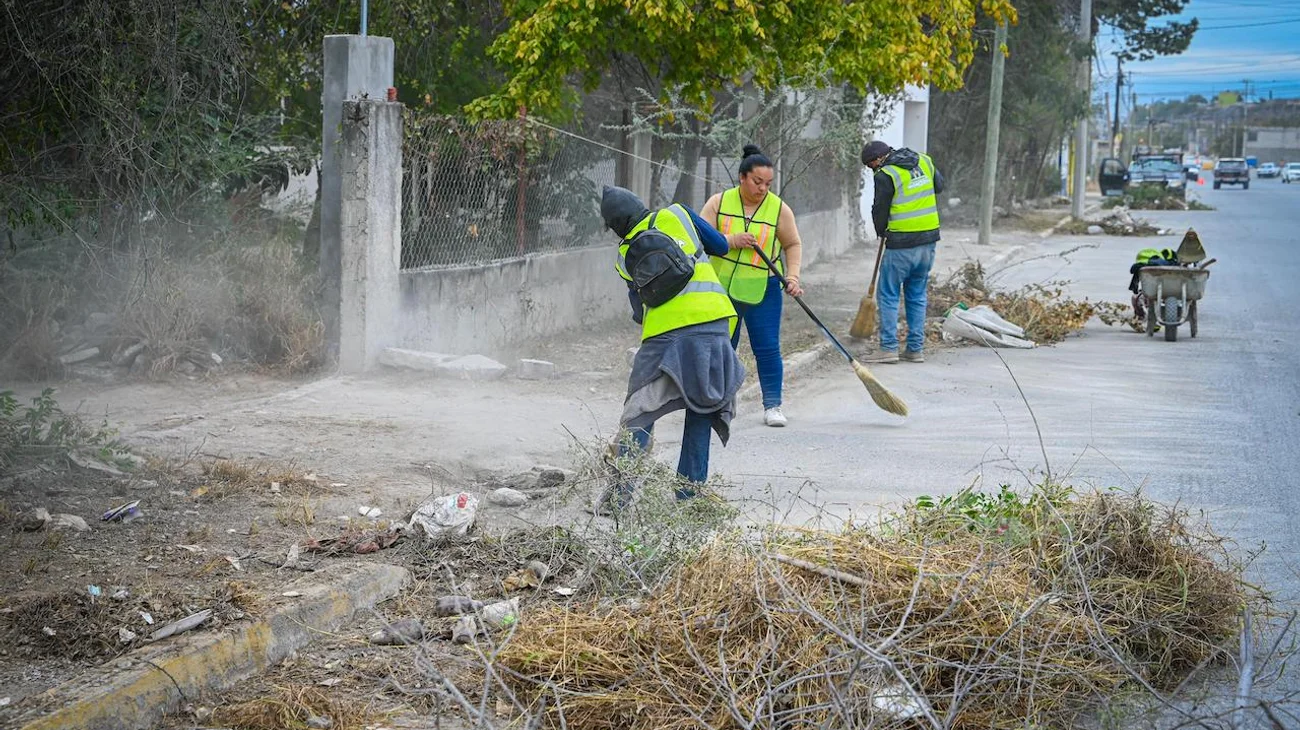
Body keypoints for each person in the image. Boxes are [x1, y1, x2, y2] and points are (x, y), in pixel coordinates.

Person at [598, 185, 746, 511]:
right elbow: (721, 245)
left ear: (615, 226)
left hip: (664, 337)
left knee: (640, 411)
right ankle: (688, 497)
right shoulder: (678, 214)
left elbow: (640, 311)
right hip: (714, 324)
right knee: (703, 407)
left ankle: (619, 499)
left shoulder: (624, 257)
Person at [700, 144, 806, 427]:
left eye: (768, 183)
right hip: (721, 289)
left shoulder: (779, 208)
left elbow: (792, 244)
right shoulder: (719, 203)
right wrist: (730, 241)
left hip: (764, 288)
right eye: (758, 182)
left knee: (767, 347)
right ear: (742, 177)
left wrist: (793, 277)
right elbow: (698, 238)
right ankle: (718, 404)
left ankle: (773, 405)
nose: (763, 189)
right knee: (722, 347)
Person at [861, 140, 945, 364]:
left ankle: (889, 348)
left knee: (888, 294)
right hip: (928, 242)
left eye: (870, 165)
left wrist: (881, 231)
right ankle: (915, 349)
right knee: (917, 295)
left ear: (878, 159)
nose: (872, 170)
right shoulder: (924, 161)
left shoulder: (886, 174)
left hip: (901, 245)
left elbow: (880, 209)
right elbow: (939, 187)